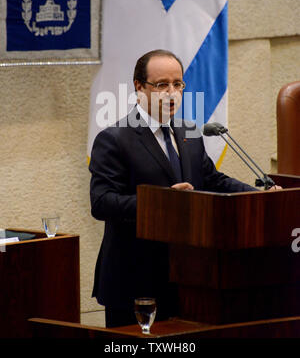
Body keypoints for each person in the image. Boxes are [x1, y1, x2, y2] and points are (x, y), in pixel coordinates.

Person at [89, 49, 277, 328]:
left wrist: (257, 196)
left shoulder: (188, 131)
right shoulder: (114, 139)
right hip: (135, 277)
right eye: (162, 84)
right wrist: (163, 203)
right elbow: (102, 202)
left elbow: (213, 180)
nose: (172, 93)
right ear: (139, 87)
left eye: (177, 84)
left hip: (189, 275)